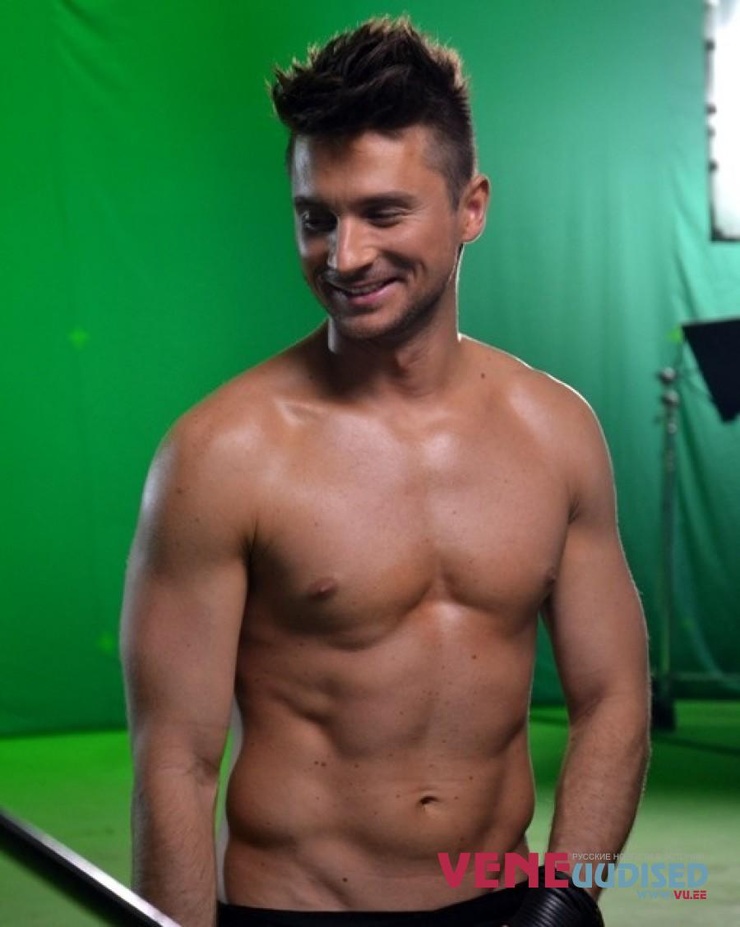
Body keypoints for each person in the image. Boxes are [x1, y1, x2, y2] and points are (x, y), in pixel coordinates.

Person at [120, 16, 650, 927]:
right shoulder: (221, 454)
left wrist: (567, 899)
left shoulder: (556, 433)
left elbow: (613, 697)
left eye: (383, 213)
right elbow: (175, 759)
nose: (345, 256)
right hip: (294, 910)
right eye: (316, 218)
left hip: (503, 904)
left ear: (471, 208)